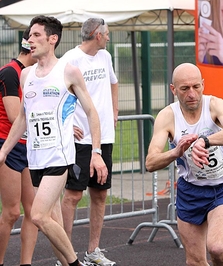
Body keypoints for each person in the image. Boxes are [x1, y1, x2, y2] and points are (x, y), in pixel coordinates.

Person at [0, 15, 108, 266]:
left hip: (59, 157)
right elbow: (23, 119)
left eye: (36, 35)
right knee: (53, 224)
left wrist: (96, 152)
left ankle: (75, 264)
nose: (30, 40)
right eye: (29, 35)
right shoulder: (26, 75)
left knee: (37, 215)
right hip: (34, 159)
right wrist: (4, 151)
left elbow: (92, 112)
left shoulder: (68, 71)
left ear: (53, 38)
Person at [146, 62, 223, 266]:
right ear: (173, 90)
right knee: (195, 261)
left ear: (203, 85)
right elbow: (151, 162)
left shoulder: (215, 105)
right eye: (184, 89)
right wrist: (176, 151)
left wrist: (205, 140)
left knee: (216, 247)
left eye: (196, 87)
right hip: (190, 191)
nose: (192, 93)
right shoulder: (167, 116)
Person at [57, 18, 118, 266]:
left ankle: (93, 251)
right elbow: (56, 93)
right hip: (80, 140)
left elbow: (114, 83)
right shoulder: (70, 60)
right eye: (106, 34)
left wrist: (114, 112)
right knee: (72, 195)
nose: (109, 38)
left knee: (100, 194)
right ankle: (65, 256)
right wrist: (67, 123)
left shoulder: (106, 57)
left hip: (104, 138)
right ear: (96, 35)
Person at [0, 28, 38, 266]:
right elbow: (16, 117)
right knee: (12, 212)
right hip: (8, 144)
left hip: (30, 146)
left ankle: (26, 263)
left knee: (34, 213)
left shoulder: (35, 74)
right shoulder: (10, 73)